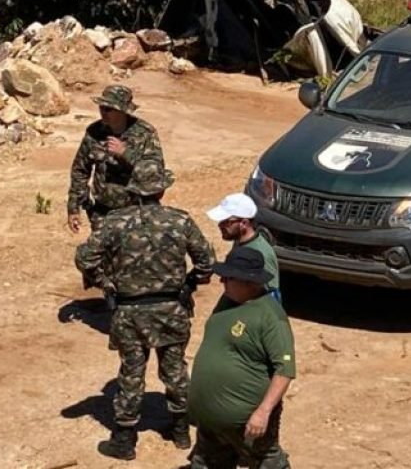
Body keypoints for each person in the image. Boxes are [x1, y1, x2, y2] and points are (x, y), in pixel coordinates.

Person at [75, 159, 215, 461]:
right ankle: (180, 431)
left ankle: (124, 439)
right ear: (161, 190)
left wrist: (106, 283)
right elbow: (207, 262)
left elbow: (85, 258)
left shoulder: (115, 221)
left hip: (129, 312)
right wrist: (188, 284)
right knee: (175, 369)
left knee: (131, 373)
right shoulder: (181, 221)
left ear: (134, 191)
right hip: (171, 309)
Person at [188, 247, 296, 469]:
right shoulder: (228, 300)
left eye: (229, 277)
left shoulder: (271, 317)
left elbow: (284, 370)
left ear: (250, 282)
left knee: (267, 462)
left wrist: (262, 412)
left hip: (247, 424)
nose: (222, 281)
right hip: (211, 424)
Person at [67, 85, 163, 238]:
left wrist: (125, 154)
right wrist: (74, 207)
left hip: (136, 212)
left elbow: (155, 174)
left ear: (123, 111)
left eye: (109, 109)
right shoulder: (94, 132)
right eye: (102, 107)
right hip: (102, 213)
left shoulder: (145, 133)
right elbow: (80, 170)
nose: (103, 112)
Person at [207, 193, 281, 303]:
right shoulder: (241, 243)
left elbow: (272, 296)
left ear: (244, 223)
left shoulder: (260, 252)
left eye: (226, 222)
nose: (220, 225)